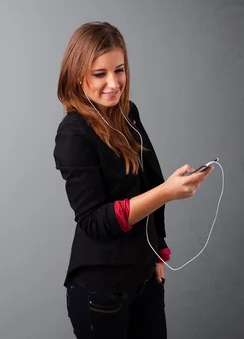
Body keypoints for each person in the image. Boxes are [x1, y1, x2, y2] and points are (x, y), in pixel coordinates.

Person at [53, 21, 213, 339]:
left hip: (144, 278)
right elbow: (95, 221)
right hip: (101, 291)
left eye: (120, 70)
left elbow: (148, 182)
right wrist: (167, 192)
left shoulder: (128, 113)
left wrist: (157, 250)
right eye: (100, 74)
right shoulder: (73, 134)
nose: (114, 84)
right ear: (77, 75)